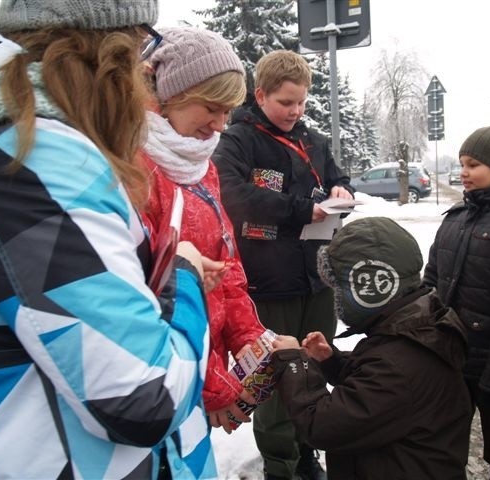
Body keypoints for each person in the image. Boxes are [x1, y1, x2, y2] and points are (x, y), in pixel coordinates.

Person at [0, 2, 216, 479]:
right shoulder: (32, 160)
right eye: (144, 44)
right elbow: (146, 399)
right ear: (107, 51)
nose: (146, 69)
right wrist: (184, 281)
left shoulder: (33, 150)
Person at [212, 49, 354, 480]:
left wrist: (342, 192)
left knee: (312, 365)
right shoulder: (239, 140)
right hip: (268, 283)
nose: (295, 111)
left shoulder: (313, 140)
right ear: (260, 95)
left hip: (316, 279)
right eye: (286, 102)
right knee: (276, 377)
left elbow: (336, 176)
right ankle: (280, 465)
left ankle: (306, 451)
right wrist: (298, 210)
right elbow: (229, 193)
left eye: (302, 103)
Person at [270, 216, 472, 479]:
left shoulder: (398, 364)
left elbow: (322, 425)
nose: (336, 297)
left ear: (374, 286)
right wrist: (331, 361)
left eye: (340, 288)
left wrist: (293, 363)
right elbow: (375, 391)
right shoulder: (413, 329)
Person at [141, 26, 266, 434]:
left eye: (228, 112)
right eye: (211, 107)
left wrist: (250, 339)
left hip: (200, 376)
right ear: (170, 94)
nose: (219, 125)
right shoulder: (137, 171)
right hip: (167, 382)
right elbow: (153, 304)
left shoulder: (201, 167)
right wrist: (213, 383)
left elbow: (225, 268)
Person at [422, 125, 490, 479]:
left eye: (474, 165)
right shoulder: (455, 219)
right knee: (443, 447)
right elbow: (431, 283)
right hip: (453, 357)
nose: (464, 172)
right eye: (462, 164)